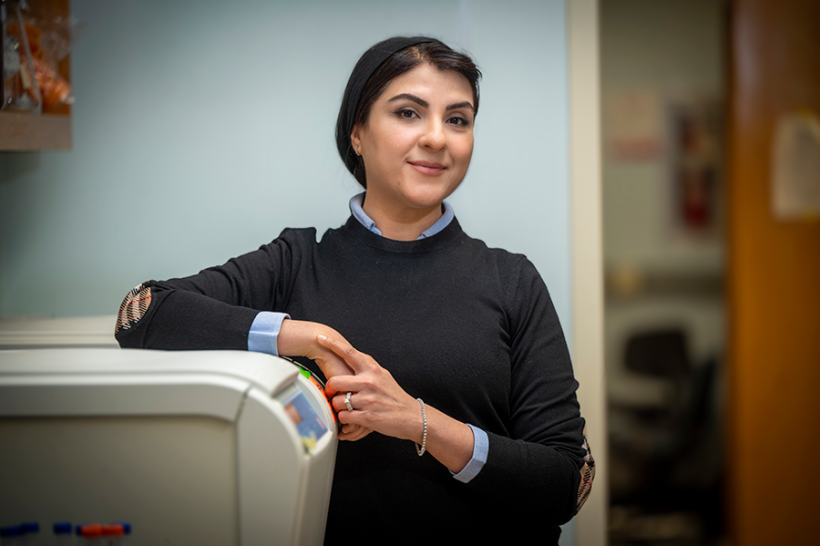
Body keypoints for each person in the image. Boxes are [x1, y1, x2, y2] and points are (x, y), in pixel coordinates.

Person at [115, 36, 593, 544]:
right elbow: (138, 314)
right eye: (408, 113)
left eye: (458, 119)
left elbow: (566, 484)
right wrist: (311, 339)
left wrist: (415, 420)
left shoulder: (512, 280)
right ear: (357, 134)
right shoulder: (296, 263)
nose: (437, 138)